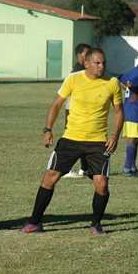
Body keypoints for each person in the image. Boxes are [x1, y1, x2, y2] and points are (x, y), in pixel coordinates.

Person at [19, 48, 124, 236]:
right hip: (71, 139)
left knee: (101, 184)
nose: (102, 66)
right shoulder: (73, 79)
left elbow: (119, 112)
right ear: (86, 63)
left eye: (104, 63)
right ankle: (34, 222)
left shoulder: (112, 83)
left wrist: (115, 135)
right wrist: (48, 129)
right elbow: (57, 104)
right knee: (49, 178)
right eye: (97, 63)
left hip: (98, 143)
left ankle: (96, 224)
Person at [63, 43, 92, 178]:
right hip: (73, 110)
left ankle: (85, 169)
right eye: (87, 53)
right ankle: (65, 169)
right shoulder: (77, 72)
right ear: (79, 55)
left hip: (81, 109)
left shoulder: (84, 70)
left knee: (85, 139)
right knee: (72, 140)